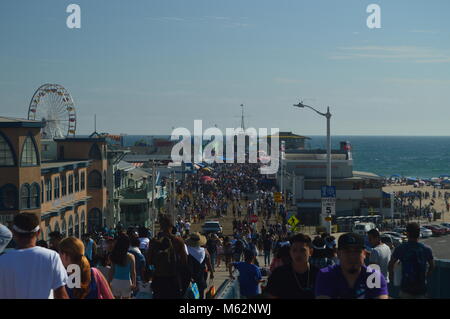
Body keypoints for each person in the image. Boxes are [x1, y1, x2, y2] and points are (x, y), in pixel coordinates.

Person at [0, 213, 69, 299]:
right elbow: (61, 295)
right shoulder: (51, 257)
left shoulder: (2, 261)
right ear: (38, 232)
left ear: (14, 233)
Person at [315, 233, 388, 299]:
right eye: (347, 251)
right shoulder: (327, 275)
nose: (352, 256)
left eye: (357, 251)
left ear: (364, 254)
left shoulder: (373, 277)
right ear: (338, 254)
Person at [148, 214, 190, 299]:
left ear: (160, 225)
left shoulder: (154, 241)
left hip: (158, 279)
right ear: (171, 225)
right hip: (173, 279)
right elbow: (184, 262)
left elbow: (149, 261)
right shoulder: (178, 241)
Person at [388, 222, 434, 299]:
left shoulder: (401, 248)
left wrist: (392, 278)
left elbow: (391, 264)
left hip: (406, 290)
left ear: (407, 233)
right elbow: (432, 266)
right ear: (419, 233)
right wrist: (425, 276)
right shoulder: (427, 249)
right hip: (421, 290)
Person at [265, 234, 319, 299]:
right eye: (294, 250)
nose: (298, 254)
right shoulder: (279, 274)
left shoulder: (318, 274)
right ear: (290, 252)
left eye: (302, 250)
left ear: (310, 252)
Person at [108, 233, 137, 299]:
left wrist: (108, 281)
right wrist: (134, 283)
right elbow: (133, 272)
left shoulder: (114, 255)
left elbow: (112, 270)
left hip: (115, 281)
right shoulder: (131, 257)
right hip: (126, 282)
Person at [186, 232, 213, 299]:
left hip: (190, 277)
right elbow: (209, 264)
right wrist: (212, 273)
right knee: (201, 294)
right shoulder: (205, 251)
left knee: (191, 295)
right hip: (201, 276)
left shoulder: (187, 250)